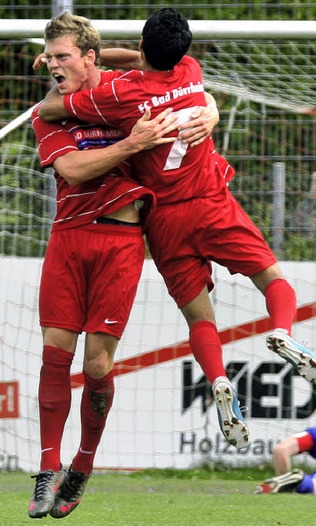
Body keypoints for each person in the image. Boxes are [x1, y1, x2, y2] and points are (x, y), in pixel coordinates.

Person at [38, 8, 316, 453]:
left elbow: (54, 107)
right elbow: (142, 63)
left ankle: (217, 379)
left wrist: (68, 72)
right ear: (183, 51)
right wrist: (207, 108)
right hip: (212, 201)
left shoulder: (121, 94)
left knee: (199, 317)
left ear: (140, 47)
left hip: (165, 221)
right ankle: (284, 332)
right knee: (271, 277)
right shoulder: (192, 72)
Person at [27, 12, 216, 520]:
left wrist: (211, 109)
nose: (53, 66)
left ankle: (83, 466)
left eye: (62, 56)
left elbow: (162, 69)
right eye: (49, 57)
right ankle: (48, 468)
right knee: (53, 355)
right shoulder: (49, 113)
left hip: (122, 241)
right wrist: (132, 144)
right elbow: (72, 168)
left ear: (89, 57)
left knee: (96, 367)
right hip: (68, 237)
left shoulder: (123, 91)